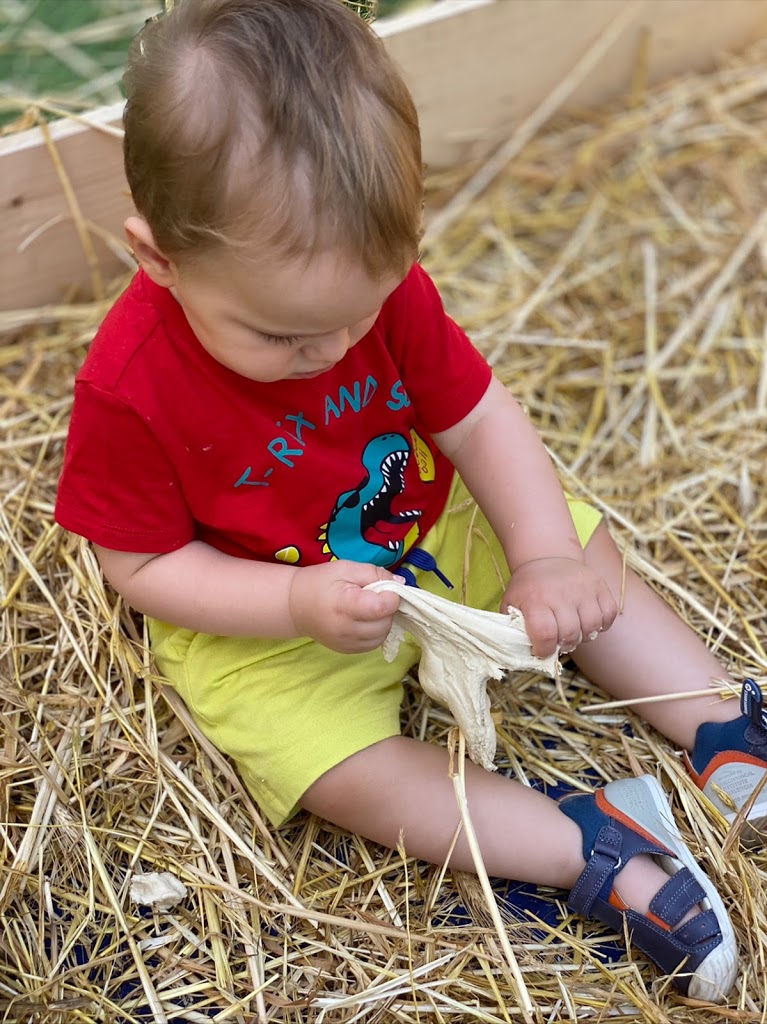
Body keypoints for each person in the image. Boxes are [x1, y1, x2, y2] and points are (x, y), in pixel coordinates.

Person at [55, 0, 766, 1003]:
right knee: (329, 765)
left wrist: (542, 557)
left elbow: (477, 419)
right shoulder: (129, 387)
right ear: (158, 259)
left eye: (355, 317)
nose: (330, 352)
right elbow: (143, 569)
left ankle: (710, 720)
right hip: (272, 609)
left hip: (422, 526)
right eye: (280, 338)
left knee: (573, 539)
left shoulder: (372, 296)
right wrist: (293, 607)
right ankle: (585, 843)